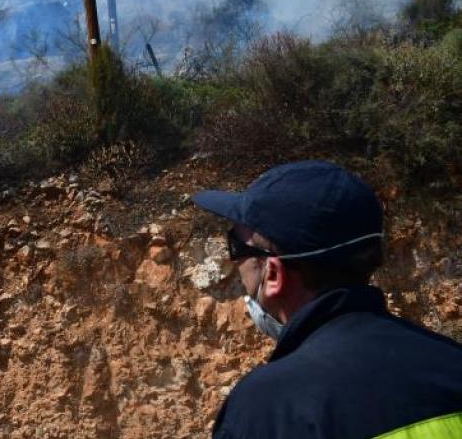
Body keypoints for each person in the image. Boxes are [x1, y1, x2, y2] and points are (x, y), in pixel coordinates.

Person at [192, 160, 462, 438]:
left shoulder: (267, 409)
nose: (234, 261)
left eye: (237, 246)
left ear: (273, 274)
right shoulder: (452, 363)